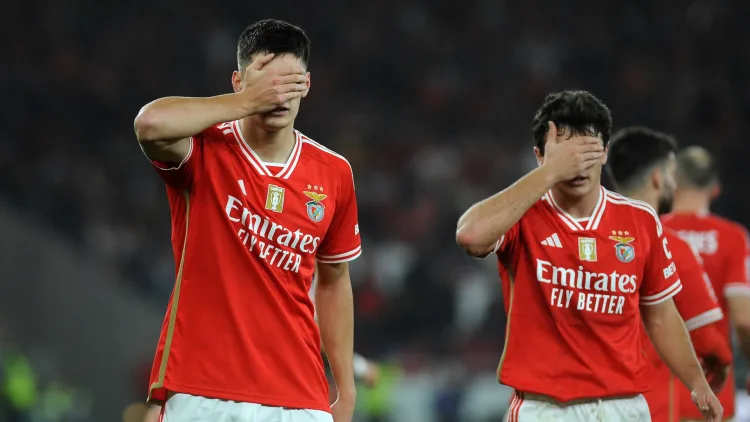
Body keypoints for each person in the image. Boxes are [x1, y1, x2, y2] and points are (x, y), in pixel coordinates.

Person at [134, 19, 361, 422]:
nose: (278, 95)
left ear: (307, 85)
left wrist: (344, 388)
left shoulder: (334, 172)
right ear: (238, 81)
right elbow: (150, 125)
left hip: (299, 394)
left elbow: (335, 279)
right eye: (265, 83)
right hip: (201, 387)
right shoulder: (203, 147)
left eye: (289, 83)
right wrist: (246, 103)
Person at [456, 90, 722, 422]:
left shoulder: (640, 220)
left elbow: (661, 315)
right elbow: (470, 236)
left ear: (606, 152)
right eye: (568, 154)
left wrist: (697, 382)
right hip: (546, 409)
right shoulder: (522, 214)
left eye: (588, 152)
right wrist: (550, 173)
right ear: (540, 156)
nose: (579, 165)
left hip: (625, 407)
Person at [605, 127, 732, 422]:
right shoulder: (671, 246)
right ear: (658, 178)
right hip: (650, 408)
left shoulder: (583, 239)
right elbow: (708, 343)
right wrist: (721, 365)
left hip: (585, 405)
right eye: (673, 174)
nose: (674, 185)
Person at [662, 146, 750, 422]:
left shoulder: (650, 233)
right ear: (715, 188)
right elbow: (744, 321)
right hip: (711, 393)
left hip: (656, 394)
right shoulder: (732, 238)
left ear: (672, 182)